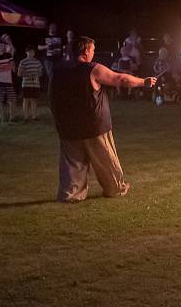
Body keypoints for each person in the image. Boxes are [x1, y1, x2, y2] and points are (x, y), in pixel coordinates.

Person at [50, 36, 156, 202]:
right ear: (85, 51)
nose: (93, 53)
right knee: (105, 161)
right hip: (94, 126)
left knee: (72, 165)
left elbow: (52, 97)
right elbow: (120, 79)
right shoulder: (93, 69)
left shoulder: (58, 70)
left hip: (68, 126)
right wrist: (144, 82)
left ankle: (71, 194)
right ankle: (115, 188)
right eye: (92, 50)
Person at [0, 42, 17, 124]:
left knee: (12, 99)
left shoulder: (8, 55)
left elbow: (12, 66)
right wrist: (6, 67)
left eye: (3, 46)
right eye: (0, 45)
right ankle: (2, 119)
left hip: (8, 81)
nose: (1, 47)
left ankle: (11, 118)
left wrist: (0, 67)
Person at [18, 46, 43, 121]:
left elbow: (41, 73)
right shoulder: (23, 62)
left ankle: (34, 116)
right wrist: (28, 75)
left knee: (34, 100)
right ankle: (26, 116)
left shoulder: (37, 62)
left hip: (35, 84)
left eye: (33, 52)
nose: (32, 53)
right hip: (26, 84)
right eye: (30, 52)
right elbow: (19, 73)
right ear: (27, 52)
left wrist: (37, 75)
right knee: (26, 99)